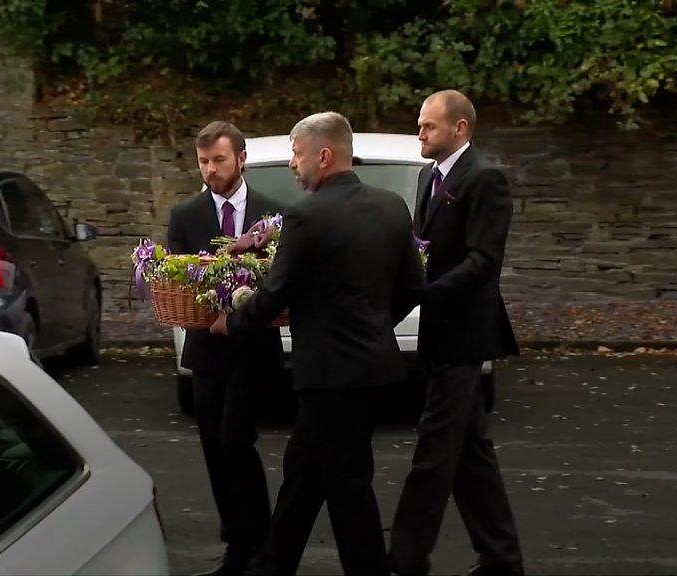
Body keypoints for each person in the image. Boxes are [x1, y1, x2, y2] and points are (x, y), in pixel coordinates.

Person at [211, 111, 424, 575]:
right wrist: (373, 326)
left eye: (296, 153)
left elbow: (276, 293)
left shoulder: (305, 215)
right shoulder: (391, 206)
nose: (292, 164)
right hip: (369, 368)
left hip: (328, 373)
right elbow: (412, 287)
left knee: (348, 485)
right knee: (304, 473)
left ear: (323, 156)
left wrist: (233, 323)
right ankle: (272, 564)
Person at [389, 90, 524, 576]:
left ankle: (405, 559)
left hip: (465, 334)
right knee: (471, 455)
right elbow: (422, 250)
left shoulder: (485, 179)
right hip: (437, 333)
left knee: (435, 449)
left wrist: (428, 293)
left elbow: (484, 261)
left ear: (460, 129)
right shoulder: (429, 176)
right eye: (420, 125)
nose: (420, 133)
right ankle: (501, 559)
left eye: (428, 126)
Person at [168, 121, 285, 576]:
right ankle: (240, 543)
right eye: (203, 162)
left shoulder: (274, 215)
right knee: (214, 446)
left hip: (254, 348)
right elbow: (177, 276)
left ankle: (260, 541)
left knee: (237, 438)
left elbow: (278, 280)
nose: (210, 170)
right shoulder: (185, 215)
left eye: (218, 160)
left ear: (241, 158)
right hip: (207, 351)